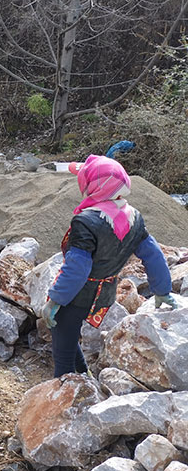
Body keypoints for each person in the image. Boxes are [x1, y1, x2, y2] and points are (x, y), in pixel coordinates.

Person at [42, 155, 175, 377]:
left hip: (77, 294)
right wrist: (162, 291)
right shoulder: (134, 217)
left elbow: (77, 269)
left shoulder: (85, 222)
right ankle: (83, 375)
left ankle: (65, 389)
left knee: (62, 341)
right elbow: (153, 255)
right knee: (66, 332)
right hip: (105, 292)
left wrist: (55, 299)